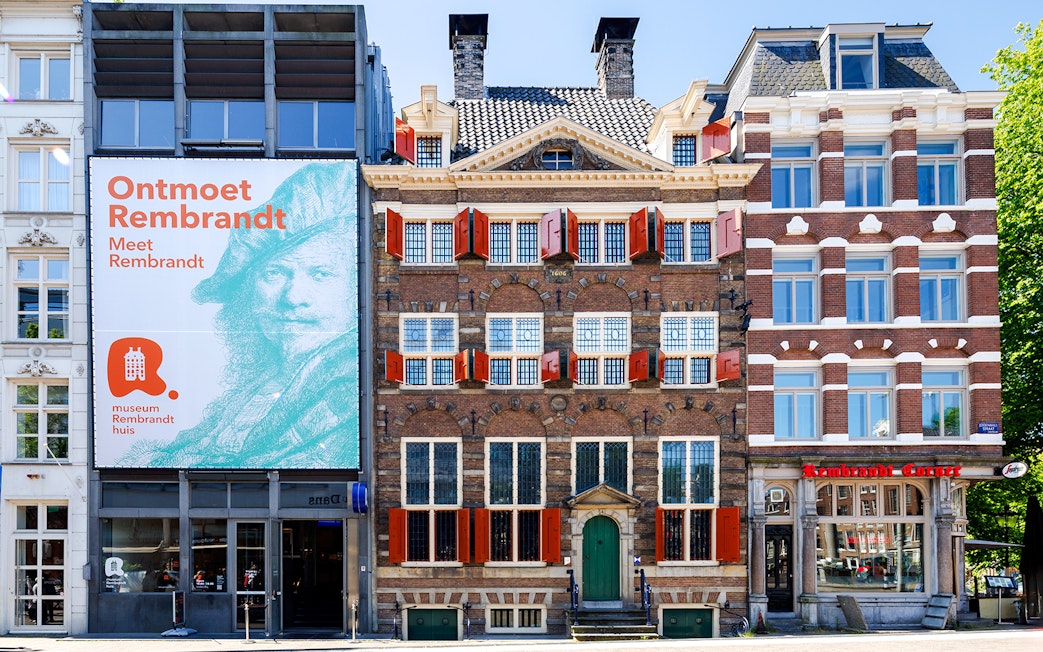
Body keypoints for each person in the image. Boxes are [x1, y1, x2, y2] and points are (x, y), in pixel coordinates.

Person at [122, 162, 360, 468]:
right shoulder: (260, 384)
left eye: (321, 274)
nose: (293, 298)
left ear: (355, 286)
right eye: (274, 273)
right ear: (248, 291)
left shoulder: (348, 391)